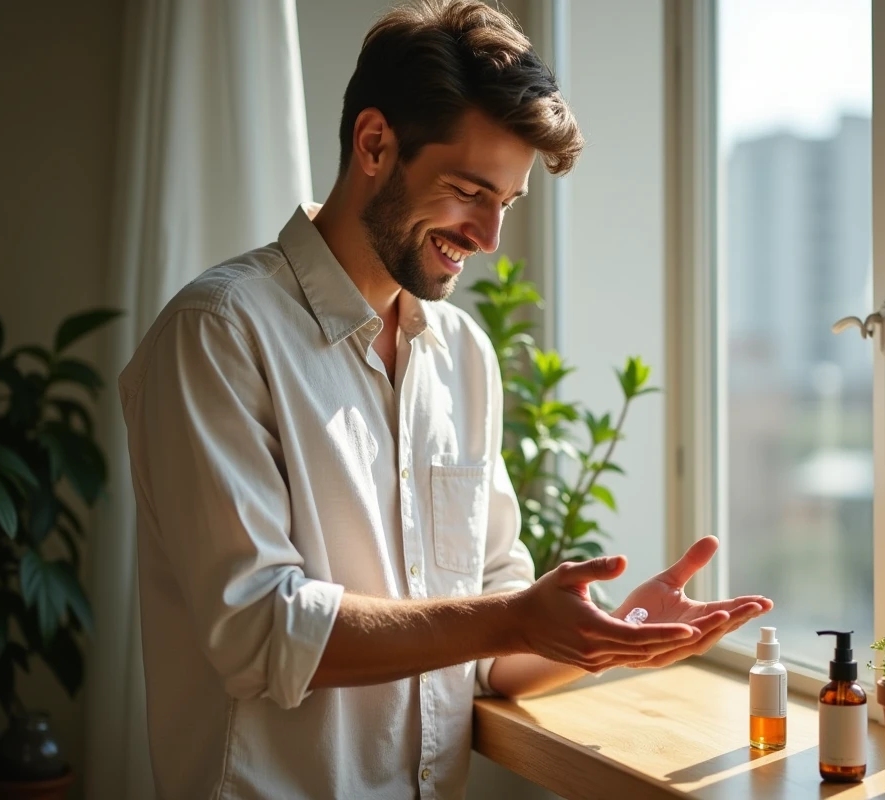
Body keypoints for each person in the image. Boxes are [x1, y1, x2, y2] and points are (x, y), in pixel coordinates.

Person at [118, 1, 773, 797]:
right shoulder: (219, 332)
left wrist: (614, 632)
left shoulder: (464, 356)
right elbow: (259, 629)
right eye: (468, 190)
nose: (488, 237)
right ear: (374, 144)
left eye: (508, 203)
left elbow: (492, 648)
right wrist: (511, 617)